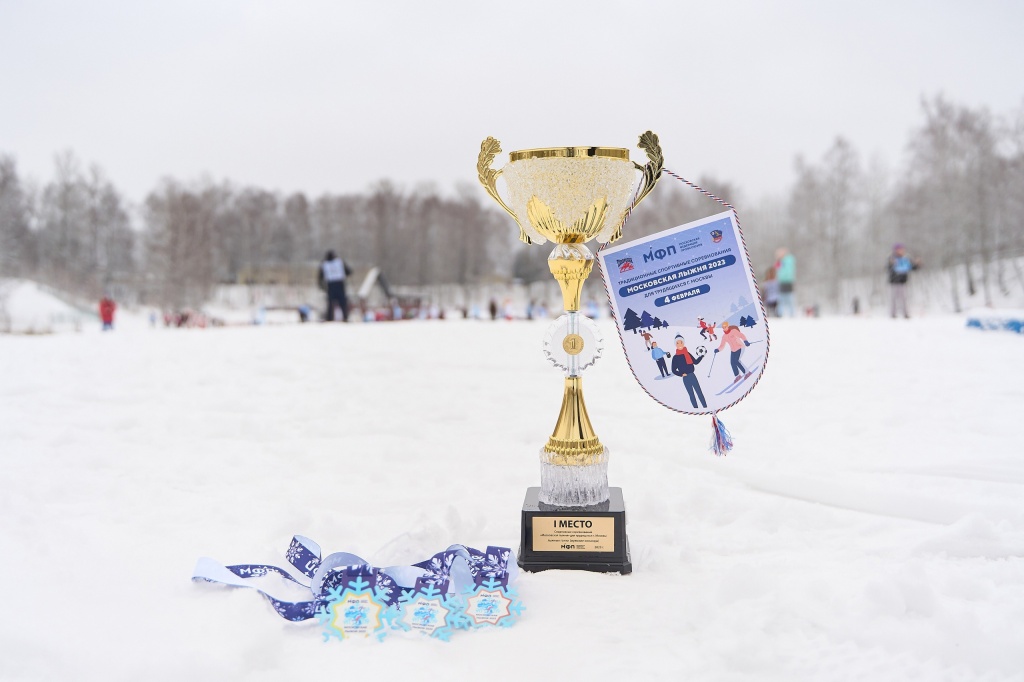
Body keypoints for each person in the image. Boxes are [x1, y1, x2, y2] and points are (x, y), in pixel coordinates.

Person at [671, 334, 707, 409]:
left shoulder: (687, 353)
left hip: (692, 375)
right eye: (677, 343)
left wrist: (701, 356)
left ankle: (705, 407)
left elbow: (695, 362)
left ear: (683, 343)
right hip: (685, 378)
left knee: (699, 391)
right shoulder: (675, 357)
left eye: (681, 342)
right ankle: (695, 408)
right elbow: (673, 370)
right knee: (691, 394)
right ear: (675, 345)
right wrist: (681, 374)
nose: (680, 344)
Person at [888, 243, 920, 318]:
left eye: (901, 249)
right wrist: (891, 264)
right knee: (893, 299)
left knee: (904, 299)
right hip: (893, 282)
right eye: (899, 250)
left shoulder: (906, 258)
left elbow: (912, 268)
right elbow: (888, 268)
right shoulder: (891, 258)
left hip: (903, 282)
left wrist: (917, 264)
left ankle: (905, 313)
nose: (900, 251)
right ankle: (893, 314)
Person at [318, 250, 351, 322]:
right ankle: (345, 317)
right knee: (342, 302)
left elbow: (320, 276)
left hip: (330, 284)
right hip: (340, 283)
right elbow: (348, 272)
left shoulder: (324, 264)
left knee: (330, 302)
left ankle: (329, 318)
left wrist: (322, 286)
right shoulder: (340, 262)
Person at [774, 248, 796, 317]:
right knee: (781, 299)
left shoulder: (788, 260)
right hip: (781, 281)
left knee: (789, 298)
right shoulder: (781, 261)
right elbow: (776, 268)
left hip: (787, 281)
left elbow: (786, 271)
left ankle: (791, 314)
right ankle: (779, 314)